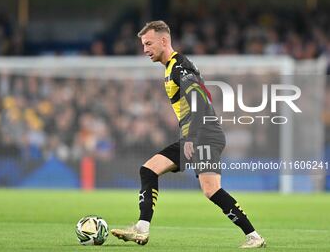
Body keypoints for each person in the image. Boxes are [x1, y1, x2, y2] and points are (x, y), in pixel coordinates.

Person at [111, 20, 266, 249]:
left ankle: (254, 236)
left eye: (148, 43)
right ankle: (141, 229)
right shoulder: (171, 68)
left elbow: (200, 102)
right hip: (196, 134)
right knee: (149, 169)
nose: (145, 49)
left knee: (211, 190)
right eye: (143, 44)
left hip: (203, 134)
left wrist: (191, 138)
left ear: (164, 41)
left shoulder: (179, 67)